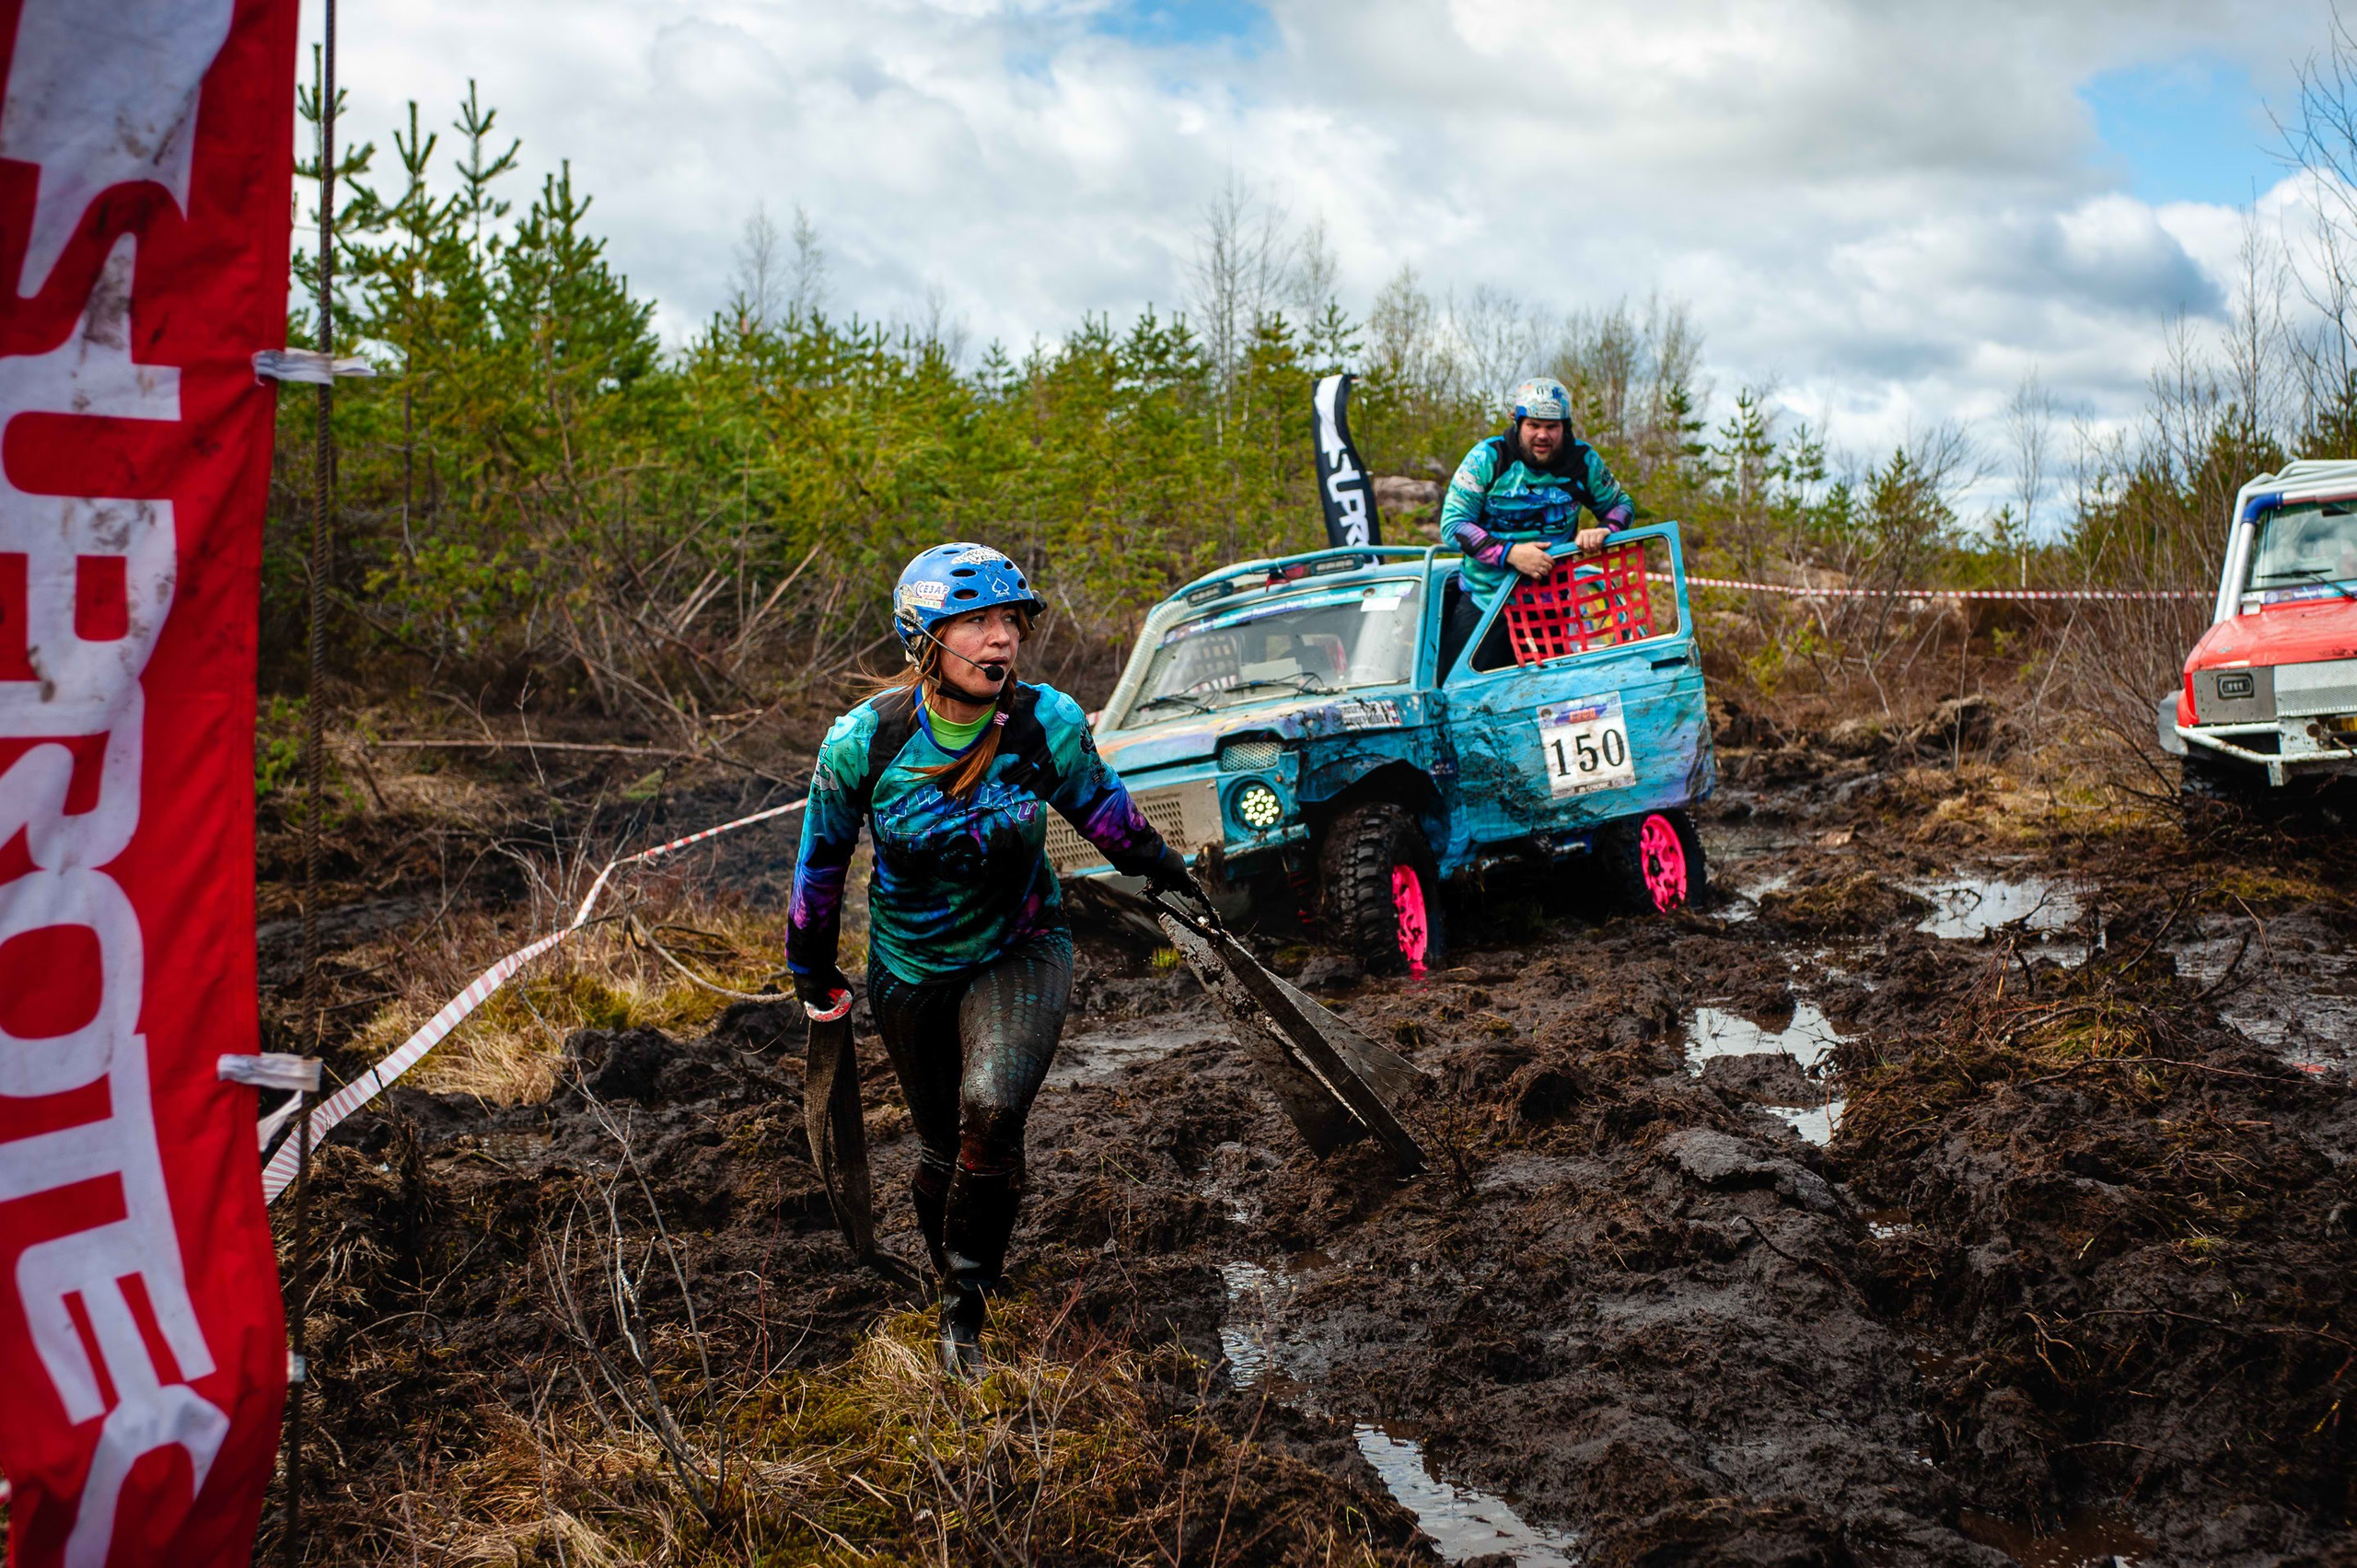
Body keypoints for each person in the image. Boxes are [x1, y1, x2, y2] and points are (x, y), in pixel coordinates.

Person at [784, 542, 1207, 1375]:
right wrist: (814, 971)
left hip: (1022, 947)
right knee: (943, 1147)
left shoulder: (1046, 724)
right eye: (976, 621)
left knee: (992, 1109)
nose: (1001, 638)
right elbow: (820, 864)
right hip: (910, 968)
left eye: (1010, 620)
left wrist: (1174, 880)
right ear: (925, 640)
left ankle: (963, 1317)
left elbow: (1107, 814)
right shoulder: (864, 742)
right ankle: (953, 1270)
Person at [1437, 376, 1638, 671]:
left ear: (1565, 426)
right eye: (1533, 425)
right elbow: (1453, 525)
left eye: (1552, 426)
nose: (1542, 435)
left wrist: (1605, 530)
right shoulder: (1487, 458)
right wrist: (1511, 554)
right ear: (1517, 422)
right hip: (1486, 603)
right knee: (1461, 691)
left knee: (1550, 696)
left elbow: (1622, 505)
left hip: (1551, 610)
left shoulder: (1583, 461)